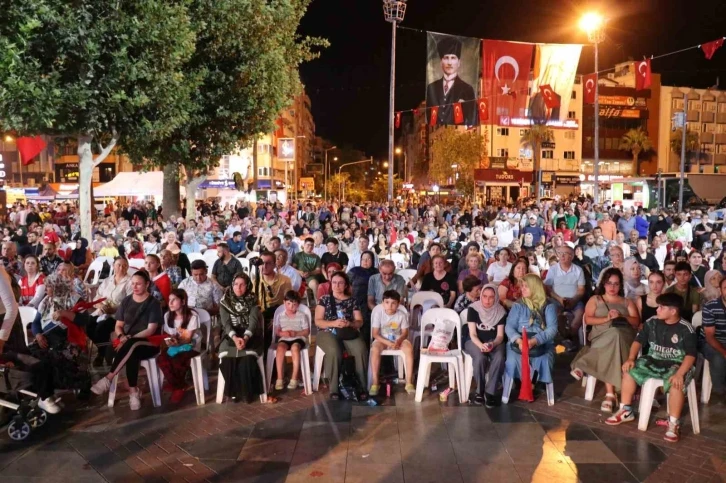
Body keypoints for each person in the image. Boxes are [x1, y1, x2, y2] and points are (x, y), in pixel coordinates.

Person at [606, 293, 697, 443]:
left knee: (676, 383)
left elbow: (691, 355)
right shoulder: (652, 322)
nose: (657, 310)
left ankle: (673, 423)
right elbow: (638, 341)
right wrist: (630, 358)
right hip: (653, 359)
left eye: (661, 307)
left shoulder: (686, 328)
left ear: (673, 311)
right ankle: (626, 410)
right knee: (629, 371)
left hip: (677, 363)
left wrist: (680, 374)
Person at [90, 271, 163, 410]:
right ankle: (133, 392)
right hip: (128, 343)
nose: (135, 286)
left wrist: (128, 338)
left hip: (149, 342)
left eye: (139, 284)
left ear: (147, 284)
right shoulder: (126, 301)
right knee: (131, 352)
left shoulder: (153, 303)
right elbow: (118, 325)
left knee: (132, 345)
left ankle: (108, 379)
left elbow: (151, 330)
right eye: (133, 283)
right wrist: (121, 337)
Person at [570, 267, 640, 413]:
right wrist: (606, 318)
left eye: (616, 284)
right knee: (613, 337)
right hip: (601, 336)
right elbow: (588, 320)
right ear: (603, 284)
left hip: (624, 337)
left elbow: (636, 322)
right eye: (609, 283)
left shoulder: (627, 302)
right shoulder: (595, 299)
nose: (612, 287)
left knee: (616, 334)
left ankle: (586, 365)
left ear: (620, 285)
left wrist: (621, 316)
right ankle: (610, 394)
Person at [29, 274, 91, 402]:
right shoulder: (46, 301)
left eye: (49, 287)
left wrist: (65, 313)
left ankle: (81, 384)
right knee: (32, 355)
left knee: (58, 356)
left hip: (69, 338)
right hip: (48, 338)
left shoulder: (74, 298)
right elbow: (35, 323)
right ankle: (45, 392)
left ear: (58, 286)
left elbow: (85, 319)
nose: (46, 290)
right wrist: (38, 335)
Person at [217, 272, 272, 403]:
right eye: (236, 284)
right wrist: (236, 338)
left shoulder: (253, 301)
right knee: (228, 357)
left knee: (247, 358)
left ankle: (247, 392)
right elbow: (226, 323)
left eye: (242, 285)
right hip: (231, 335)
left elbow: (253, 322)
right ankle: (235, 391)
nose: (238, 288)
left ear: (247, 286)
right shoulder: (225, 301)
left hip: (250, 335)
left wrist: (245, 338)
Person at [504, 274, 558, 395]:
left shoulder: (548, 305)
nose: (522, 289)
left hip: (541, 341)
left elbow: (552, 329)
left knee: (545, 358)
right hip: (519, 341)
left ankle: (538, 381)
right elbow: (509, 326)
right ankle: (520, 381)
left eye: (526, 287)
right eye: (522, 286)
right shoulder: (518, 305)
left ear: (535, 288)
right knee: (513, 360)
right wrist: (519, 340)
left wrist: (535, 340)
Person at [464, 284, 506, 407]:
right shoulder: (473, 309)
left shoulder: (501, 311)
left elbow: (500, 336)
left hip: (494, 341)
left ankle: (490, 392)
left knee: (499, 357)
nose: (487, 300)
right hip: (474, 341)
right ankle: (479, 391)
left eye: (491, 297)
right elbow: (472, 334)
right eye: (484, 296)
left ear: (496, 297)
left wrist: (493, 344)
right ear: (480, 295)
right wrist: (481, 345)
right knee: (480, 358)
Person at [156, 289, 201, 403]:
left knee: (178, 360)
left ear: (183, 301)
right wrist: (169, 341)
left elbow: (188, 339)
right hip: (175, 346)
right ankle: (178, 385)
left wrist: (177, 342)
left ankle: (178, 387)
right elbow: (169, 334)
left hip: (191, 346)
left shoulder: (192, 316)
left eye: (174, 300)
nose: (170, 303)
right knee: (161, 359)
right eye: (169, 300)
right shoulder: (167, 316)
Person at [369, 290, 415, 395]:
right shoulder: (378, 314)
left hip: (399, 339)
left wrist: (398, 341)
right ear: (382, 303)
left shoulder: (402, 315)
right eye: (387, 302)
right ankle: (375, 382)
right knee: (374, 349)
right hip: (382, 339)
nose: (390, 306)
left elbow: (405, 332)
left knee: (409, 349)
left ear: (398, 304)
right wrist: (388, 343)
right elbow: (375, 334)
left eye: (393, 303)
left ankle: (409, 382)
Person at [425, 35, 476, 125]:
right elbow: (429, 118)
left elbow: (471, 118)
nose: (449, 63)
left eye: (453, 58)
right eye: (446, 58)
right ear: (441, 62)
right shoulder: (431, 88)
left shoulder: (468, 89)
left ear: (459, 62)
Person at [273, 290, 310, 391]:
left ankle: (294, 377)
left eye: (294, 304)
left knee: (295, 348)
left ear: (298, 305)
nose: (291, 307)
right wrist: (282, 333)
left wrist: (296, 333)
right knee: (280, 348)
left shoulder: (302, 316)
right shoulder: (280, 316)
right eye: (288, 304)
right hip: (285, 338)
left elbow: (306, 331)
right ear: (284, 303)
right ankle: (280, 378)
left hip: (298, 338)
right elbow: (277, 331)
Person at [701, 277, 726, 404]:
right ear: (720, 290)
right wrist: (724, 352)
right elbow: (709, 336)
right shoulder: (710, 306)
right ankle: (720, 391)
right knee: (719, 357)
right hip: (712, 341)